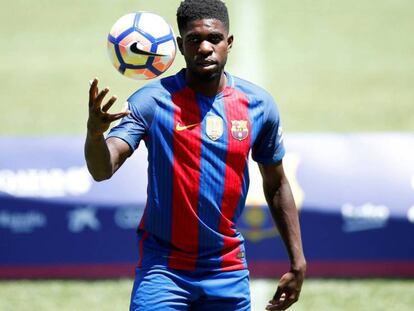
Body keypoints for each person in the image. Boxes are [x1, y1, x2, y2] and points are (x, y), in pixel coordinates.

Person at [85, 0, 306, 310]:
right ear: (179, 46)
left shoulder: (259, 106)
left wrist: (298, 261)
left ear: (229, 43)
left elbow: (277, 184)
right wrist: (95, 135)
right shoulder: (151, 101)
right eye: (194, 39)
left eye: (214, 39)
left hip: (226, 268)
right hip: (163, 270)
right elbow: (102, 168)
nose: (204, 47)